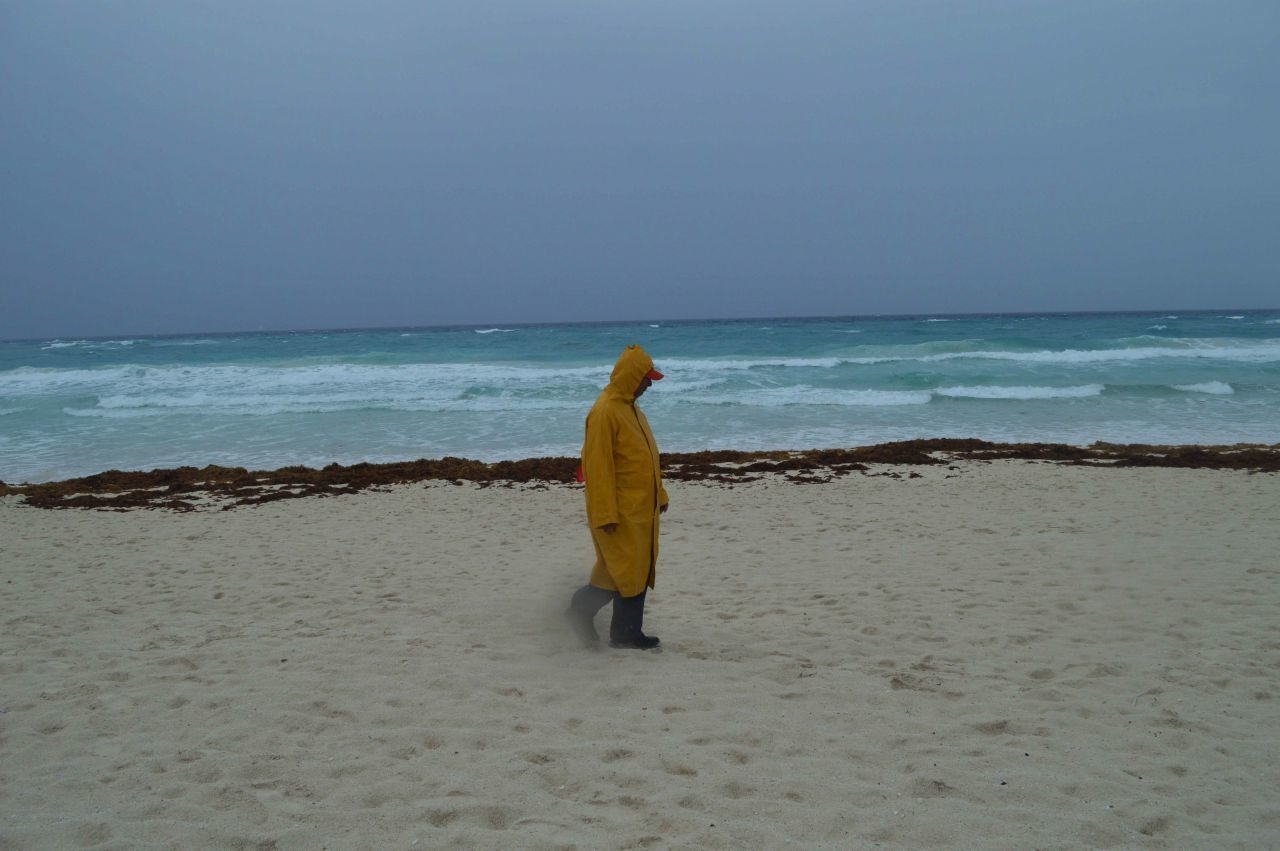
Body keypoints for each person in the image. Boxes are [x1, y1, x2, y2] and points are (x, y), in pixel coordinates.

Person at [566, 344, 669, 650]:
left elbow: (647, 459)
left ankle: (618, 631)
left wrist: (659, 493)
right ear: (631, 376)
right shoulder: (604, 412)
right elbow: (597, 469)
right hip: (619, 513)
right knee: (625, 573)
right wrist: (605, 514)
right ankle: (608, 626)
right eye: (645, 378)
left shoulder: (631, 409)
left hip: (640, 510)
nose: (649, 384)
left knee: (622, 573)